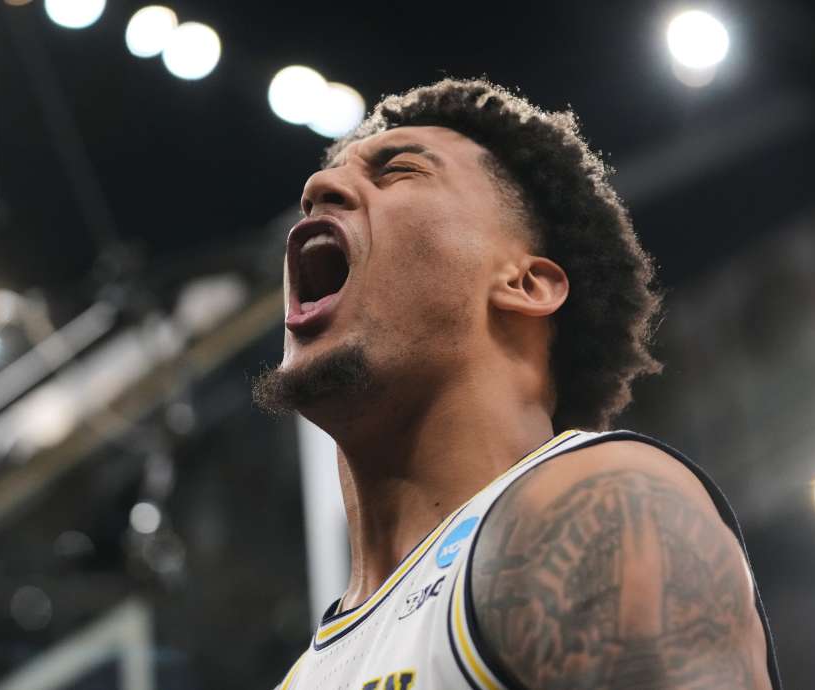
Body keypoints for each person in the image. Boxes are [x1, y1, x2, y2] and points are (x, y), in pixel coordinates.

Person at [253, 78, 781, 690]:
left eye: (398, 171)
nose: (318, 187)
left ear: (525, 284)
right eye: (328, 178)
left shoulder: (598, 511)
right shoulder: (303, 677)